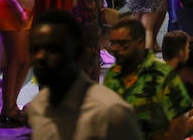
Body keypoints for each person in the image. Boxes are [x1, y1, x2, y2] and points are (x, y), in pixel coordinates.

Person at [26, 10, 142, 140]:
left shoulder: (110, 112)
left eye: (53, 49)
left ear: (79, 53)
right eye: (35, 49)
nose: (41, 57)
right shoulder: (38, 107)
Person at [104, 17, 192, 140]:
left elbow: (179, 123)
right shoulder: (112, 74)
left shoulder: (162, 74)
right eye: (113, 43)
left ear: (140, 43)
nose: (115, 49)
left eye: (122, 44)